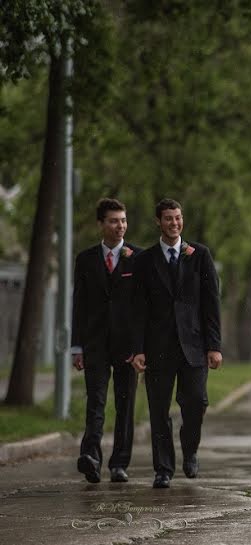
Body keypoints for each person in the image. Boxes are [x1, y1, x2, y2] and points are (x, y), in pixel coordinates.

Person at [131, 199, 223, 489]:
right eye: (168, 218)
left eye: (178, 218)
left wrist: (214, 346)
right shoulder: (145, 260)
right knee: (158, 410)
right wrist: (138, 348)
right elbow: (138, 308)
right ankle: (163, 469)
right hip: (158, 346)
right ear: (158, 222)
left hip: (194, 345)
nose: (174, 223)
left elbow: (211, 304)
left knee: (196, 403)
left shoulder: (200, 255)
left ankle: (190, 450)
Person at [71, 198, 142, 484]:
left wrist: (141, 348)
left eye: (123, 220)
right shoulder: (86, 260)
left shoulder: (138, 257)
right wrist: (77, 347)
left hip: (127, 346)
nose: (120, 226)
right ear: (101, 224)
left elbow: (143, 306)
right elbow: (79, 304)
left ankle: (119, 464)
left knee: (125, 405)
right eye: (114, 221)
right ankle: (91, 457)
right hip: (95, 343)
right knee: (96, 402)